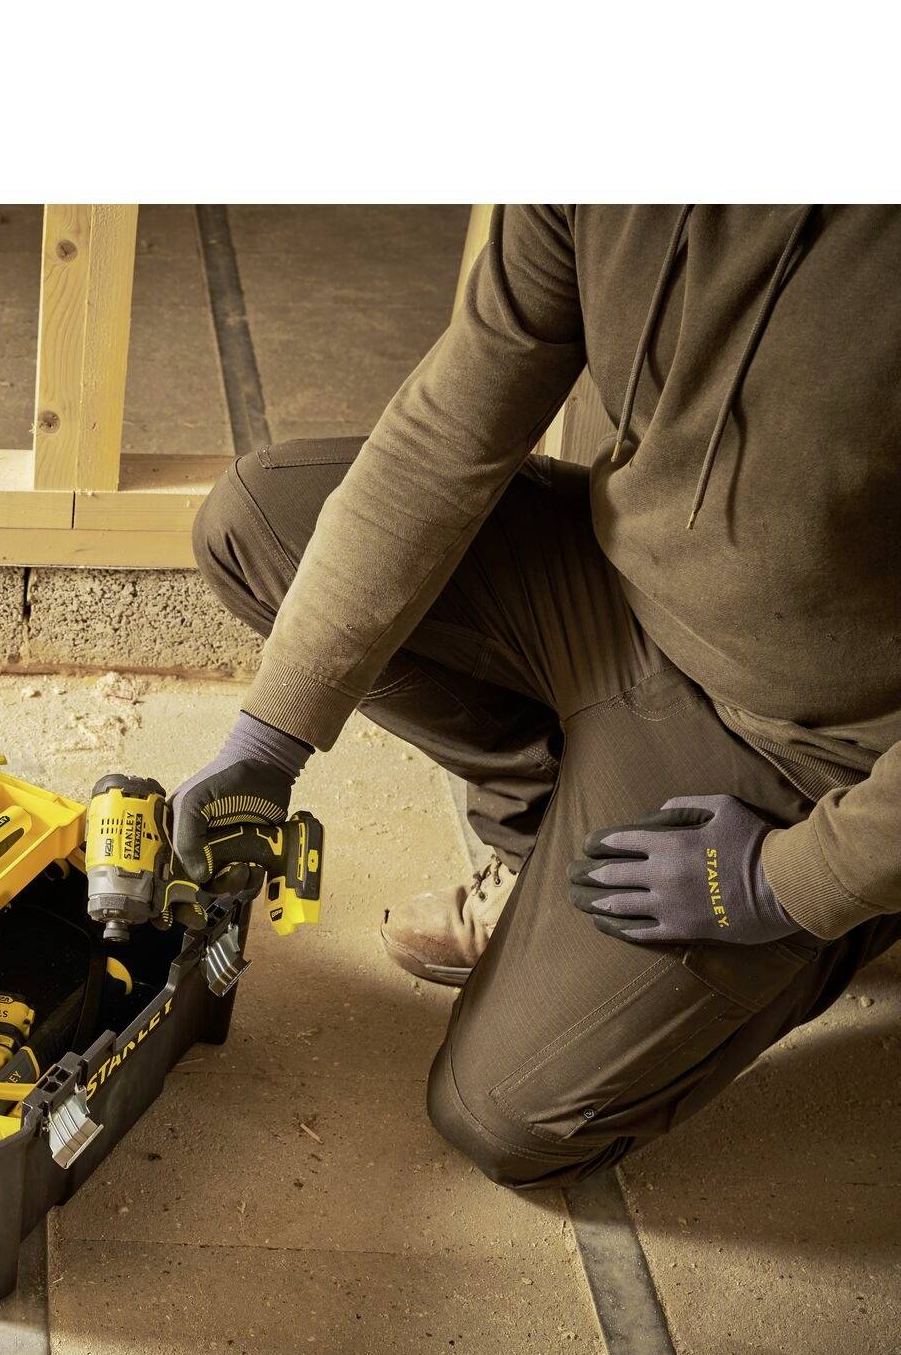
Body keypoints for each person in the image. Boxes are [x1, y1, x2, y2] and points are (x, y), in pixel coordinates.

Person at [181, 206, 900, 1189]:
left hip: (809, 739)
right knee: (258, 524)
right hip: (611, 593)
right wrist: (267, 740)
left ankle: (846, 914)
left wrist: (793, 878)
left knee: (503, 1116)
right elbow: (445, 431)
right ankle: (553, 838)